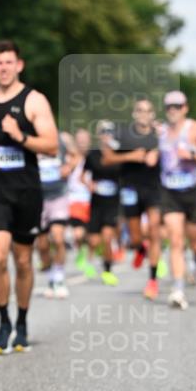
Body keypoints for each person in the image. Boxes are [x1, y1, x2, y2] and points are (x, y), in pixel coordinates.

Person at [0, 40, 58, 355]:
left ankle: (22, 321)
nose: (4, 68)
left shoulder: (34, 101)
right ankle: (3, 320)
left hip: (26, 191)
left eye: (9, 62)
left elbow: (52, 145)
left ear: (19, 65)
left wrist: (20, 136)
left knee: (22, 260)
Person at [158, 91, 196, 309]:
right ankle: (178, 289)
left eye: (177, 105)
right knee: (175, 239)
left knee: (195, 239)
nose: (172, 110)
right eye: (169, 106)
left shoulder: (194, 129)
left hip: (193, 189)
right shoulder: (161, 131)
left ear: (185, 108)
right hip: (169, 190)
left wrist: (192, 155)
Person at [102, 98, 163, 300]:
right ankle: (140, 249)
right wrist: (131, 157)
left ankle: (152, 281)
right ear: (134, 114)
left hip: (154, 189)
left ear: (153, 114)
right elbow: (107, 158)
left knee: (154, 230)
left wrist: (157, 150)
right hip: (130, 189)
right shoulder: (124, 134)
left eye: (148, 110)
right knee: (136, 238)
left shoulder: (159, 134)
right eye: (140, 110)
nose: (144, 114)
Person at [37, 132, 78, 299]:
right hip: (37, 197)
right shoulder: (28, 137)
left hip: (59, 195)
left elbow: (75, 156)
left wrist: (69, 167)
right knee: (42, 245)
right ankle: (51, 279)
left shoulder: (64, 138)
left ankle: (59, 277)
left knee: (58, 237)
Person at [82, 121, 121, 287]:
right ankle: (87, 255)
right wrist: (89, 184)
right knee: (94, 240)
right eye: (103, 132)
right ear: (98, 135)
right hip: (97, 200)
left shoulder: (119, 153)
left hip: (112, 201)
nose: (107, 135)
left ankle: (107, 270)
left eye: (109, 132)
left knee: (107, 237)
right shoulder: (92, 154)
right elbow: (83, 176)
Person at [67, 127, 91, 272]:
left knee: (92, 236)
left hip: (91, 200)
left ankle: (86, 254)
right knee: (78, 233)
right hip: (75, 199)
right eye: (80, 140)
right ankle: (81, 252)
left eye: (85, 140)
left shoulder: (94, 157)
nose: (82, 143)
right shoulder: (72, 158)